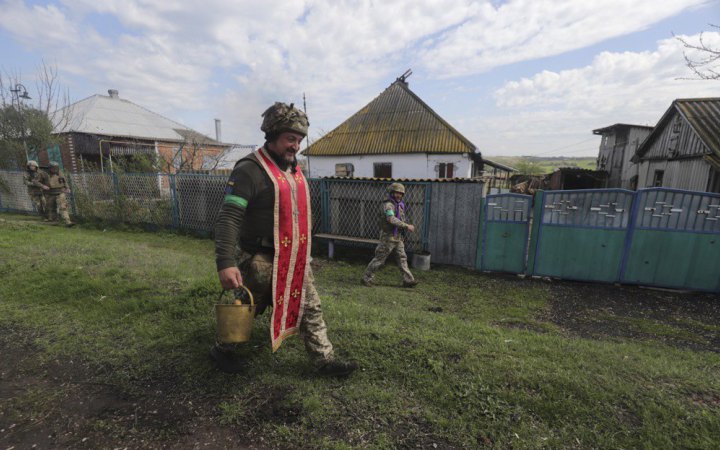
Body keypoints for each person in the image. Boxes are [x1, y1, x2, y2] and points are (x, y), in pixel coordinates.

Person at [213, 102, 358, 377]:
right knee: (248, 307)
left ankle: (324, 361)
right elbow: (229, 217)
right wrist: (225, 262)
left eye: (300, 140)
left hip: (293, 256)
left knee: (311, 305)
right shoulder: (249, 170)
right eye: (290, 139)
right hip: (259, 258)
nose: (296, 146)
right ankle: (222, 350)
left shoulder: (293, 168)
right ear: (272, 135)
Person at [361, 183, 418, 288]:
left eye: (401, 193)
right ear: (392, 193)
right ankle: (366, 278)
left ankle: (408, 280)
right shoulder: (388, 205)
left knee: (402, 258)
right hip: (388, 237)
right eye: (397, 193)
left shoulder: (399, 204)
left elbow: (400, 218)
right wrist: (406, 226)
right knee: (379, 259)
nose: (399, 195)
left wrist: (402, 234)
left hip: (398, 237)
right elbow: (391, 219)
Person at [45, 162, 75, 227]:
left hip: (60, 192)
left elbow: (64, 181)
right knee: (52, 208)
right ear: (50, 168)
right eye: (53, 168)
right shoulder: (45, 174)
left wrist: (67, 188)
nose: (55, 169)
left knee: (63, 207)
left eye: (56, 167)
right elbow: (37, 181)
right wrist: (43, 186)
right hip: (50, 193)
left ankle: (67, 221)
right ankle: (54, 221)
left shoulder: (60, 173)